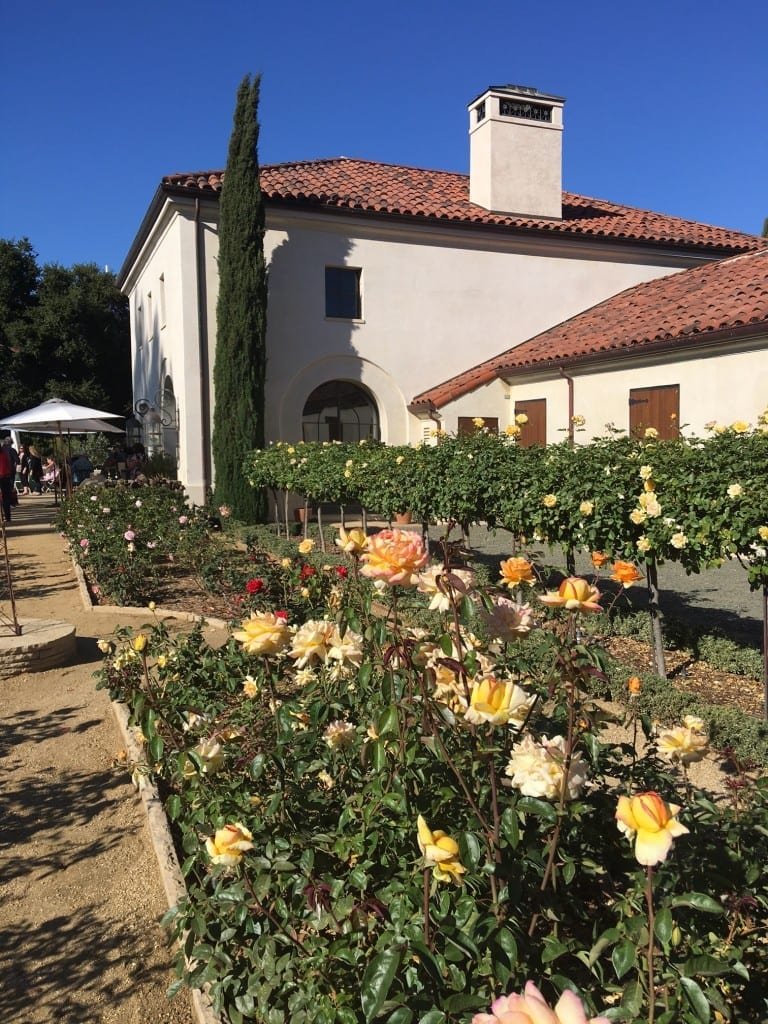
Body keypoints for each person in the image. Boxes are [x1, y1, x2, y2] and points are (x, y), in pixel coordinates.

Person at [0, 436, 16, 523]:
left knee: (5, 498)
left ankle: (6, 516)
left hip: (3, 477)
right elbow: (8, 466)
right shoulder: (4, 454)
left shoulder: (4, 454)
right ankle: (8, 517)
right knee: (6, 498)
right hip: (6, 477)